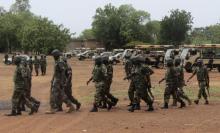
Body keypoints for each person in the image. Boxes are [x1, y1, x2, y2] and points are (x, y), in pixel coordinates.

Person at [46, 49, 75, 114]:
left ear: (56, 55)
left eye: (54, 55)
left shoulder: (60, 62)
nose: (53, 57)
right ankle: (70, 106)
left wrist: (62, 82)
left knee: (53, 94)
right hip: (56, 80)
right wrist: (52, 79)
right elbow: (56, 72)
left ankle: (52, 108)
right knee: (61, 94)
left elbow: (63, 72)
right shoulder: (57, 61)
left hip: (58, 81)